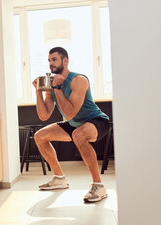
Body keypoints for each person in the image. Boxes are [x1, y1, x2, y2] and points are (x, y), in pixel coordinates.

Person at [32, 47, 111, 202]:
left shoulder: (79, 80)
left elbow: (70, 113)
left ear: (65, 61)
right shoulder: (52, 85)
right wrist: (38, 91)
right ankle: (59, 178)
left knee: (78, 134)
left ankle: (98, 186)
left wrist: (57, 87)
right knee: (40, 136)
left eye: (54, 59)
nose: (51, 64)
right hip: (74, 123)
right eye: (49, 60)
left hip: (97, 121)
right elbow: (43, 115)